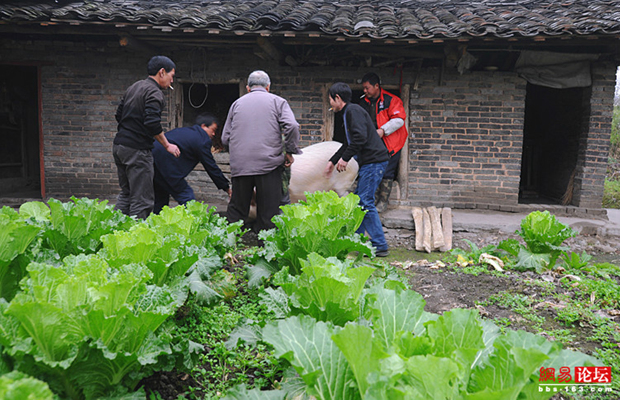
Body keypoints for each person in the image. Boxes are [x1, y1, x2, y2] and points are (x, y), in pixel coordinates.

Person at [222, 70, 301, 232]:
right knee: (268, 214)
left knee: (236, 212)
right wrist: (289, 151)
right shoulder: (278, 102)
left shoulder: (237, 104)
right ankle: (264, 246)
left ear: (248, 88)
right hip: (268, 166)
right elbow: (292, 126)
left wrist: (238, 153)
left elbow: (225, 138)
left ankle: (228, 244)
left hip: (241, 167)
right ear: (268, 87)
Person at [324, 82, 390, 257]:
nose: (330, 104)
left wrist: (345, 159)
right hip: (370, 162)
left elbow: (359, 138)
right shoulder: (349, 112)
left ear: (338, 98)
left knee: (365, 202)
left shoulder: (353, 111)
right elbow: (349, 142)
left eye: (330, 100)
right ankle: (357, 240)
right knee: (359, 202)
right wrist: (333, 161)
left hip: (374, 161)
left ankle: (380, 244)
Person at [113, 55, 180, 219]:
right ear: (162, 72)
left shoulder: (134, 87)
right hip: (137, 150)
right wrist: (167, 145)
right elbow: (152, 123)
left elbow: (118, 115)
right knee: (142, 200)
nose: (172, 81)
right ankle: (136, 233)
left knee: (127, 194)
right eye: (171, 76)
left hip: (119, 146)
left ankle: (112, 229)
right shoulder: (154, 93)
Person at [152, 113, 232, 214]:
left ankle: (157, 220)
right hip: (167, 164)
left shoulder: (185, 131)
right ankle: (194, 219)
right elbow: (211, 167)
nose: (213, 134)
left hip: (152, 160)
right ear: (203, 126)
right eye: (213, 130)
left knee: (160, 195)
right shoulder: (202, 139)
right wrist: (226, 188)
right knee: (186, 195)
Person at [360, 72, 408, 213]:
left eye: (367, 88)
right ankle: (372, 200)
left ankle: (383, 202)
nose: (365, 91)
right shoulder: (364, 102)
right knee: (372, 169)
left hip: (391, 142)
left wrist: (382, 130)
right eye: (363, 88)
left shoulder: (391, 100)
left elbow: (399, 120)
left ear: (376, 86)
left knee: (387, 171)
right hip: (373, 143)